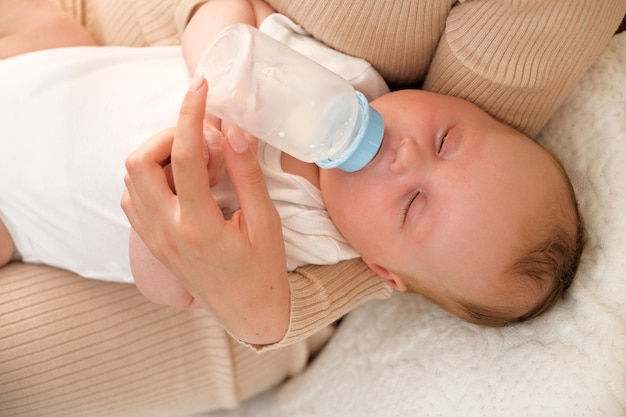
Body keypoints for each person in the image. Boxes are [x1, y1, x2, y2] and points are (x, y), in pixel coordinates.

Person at [1, 1, 623, 416]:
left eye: (411, 206)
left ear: (382, 271)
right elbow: (231, 10)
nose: (406, 155)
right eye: (446, 138)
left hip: (21, 215)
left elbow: (171, 288)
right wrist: (214, 66)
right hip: (49, 67)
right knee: (48, 23)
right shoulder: (348, 80)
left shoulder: (298, 248)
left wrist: (166, 209)